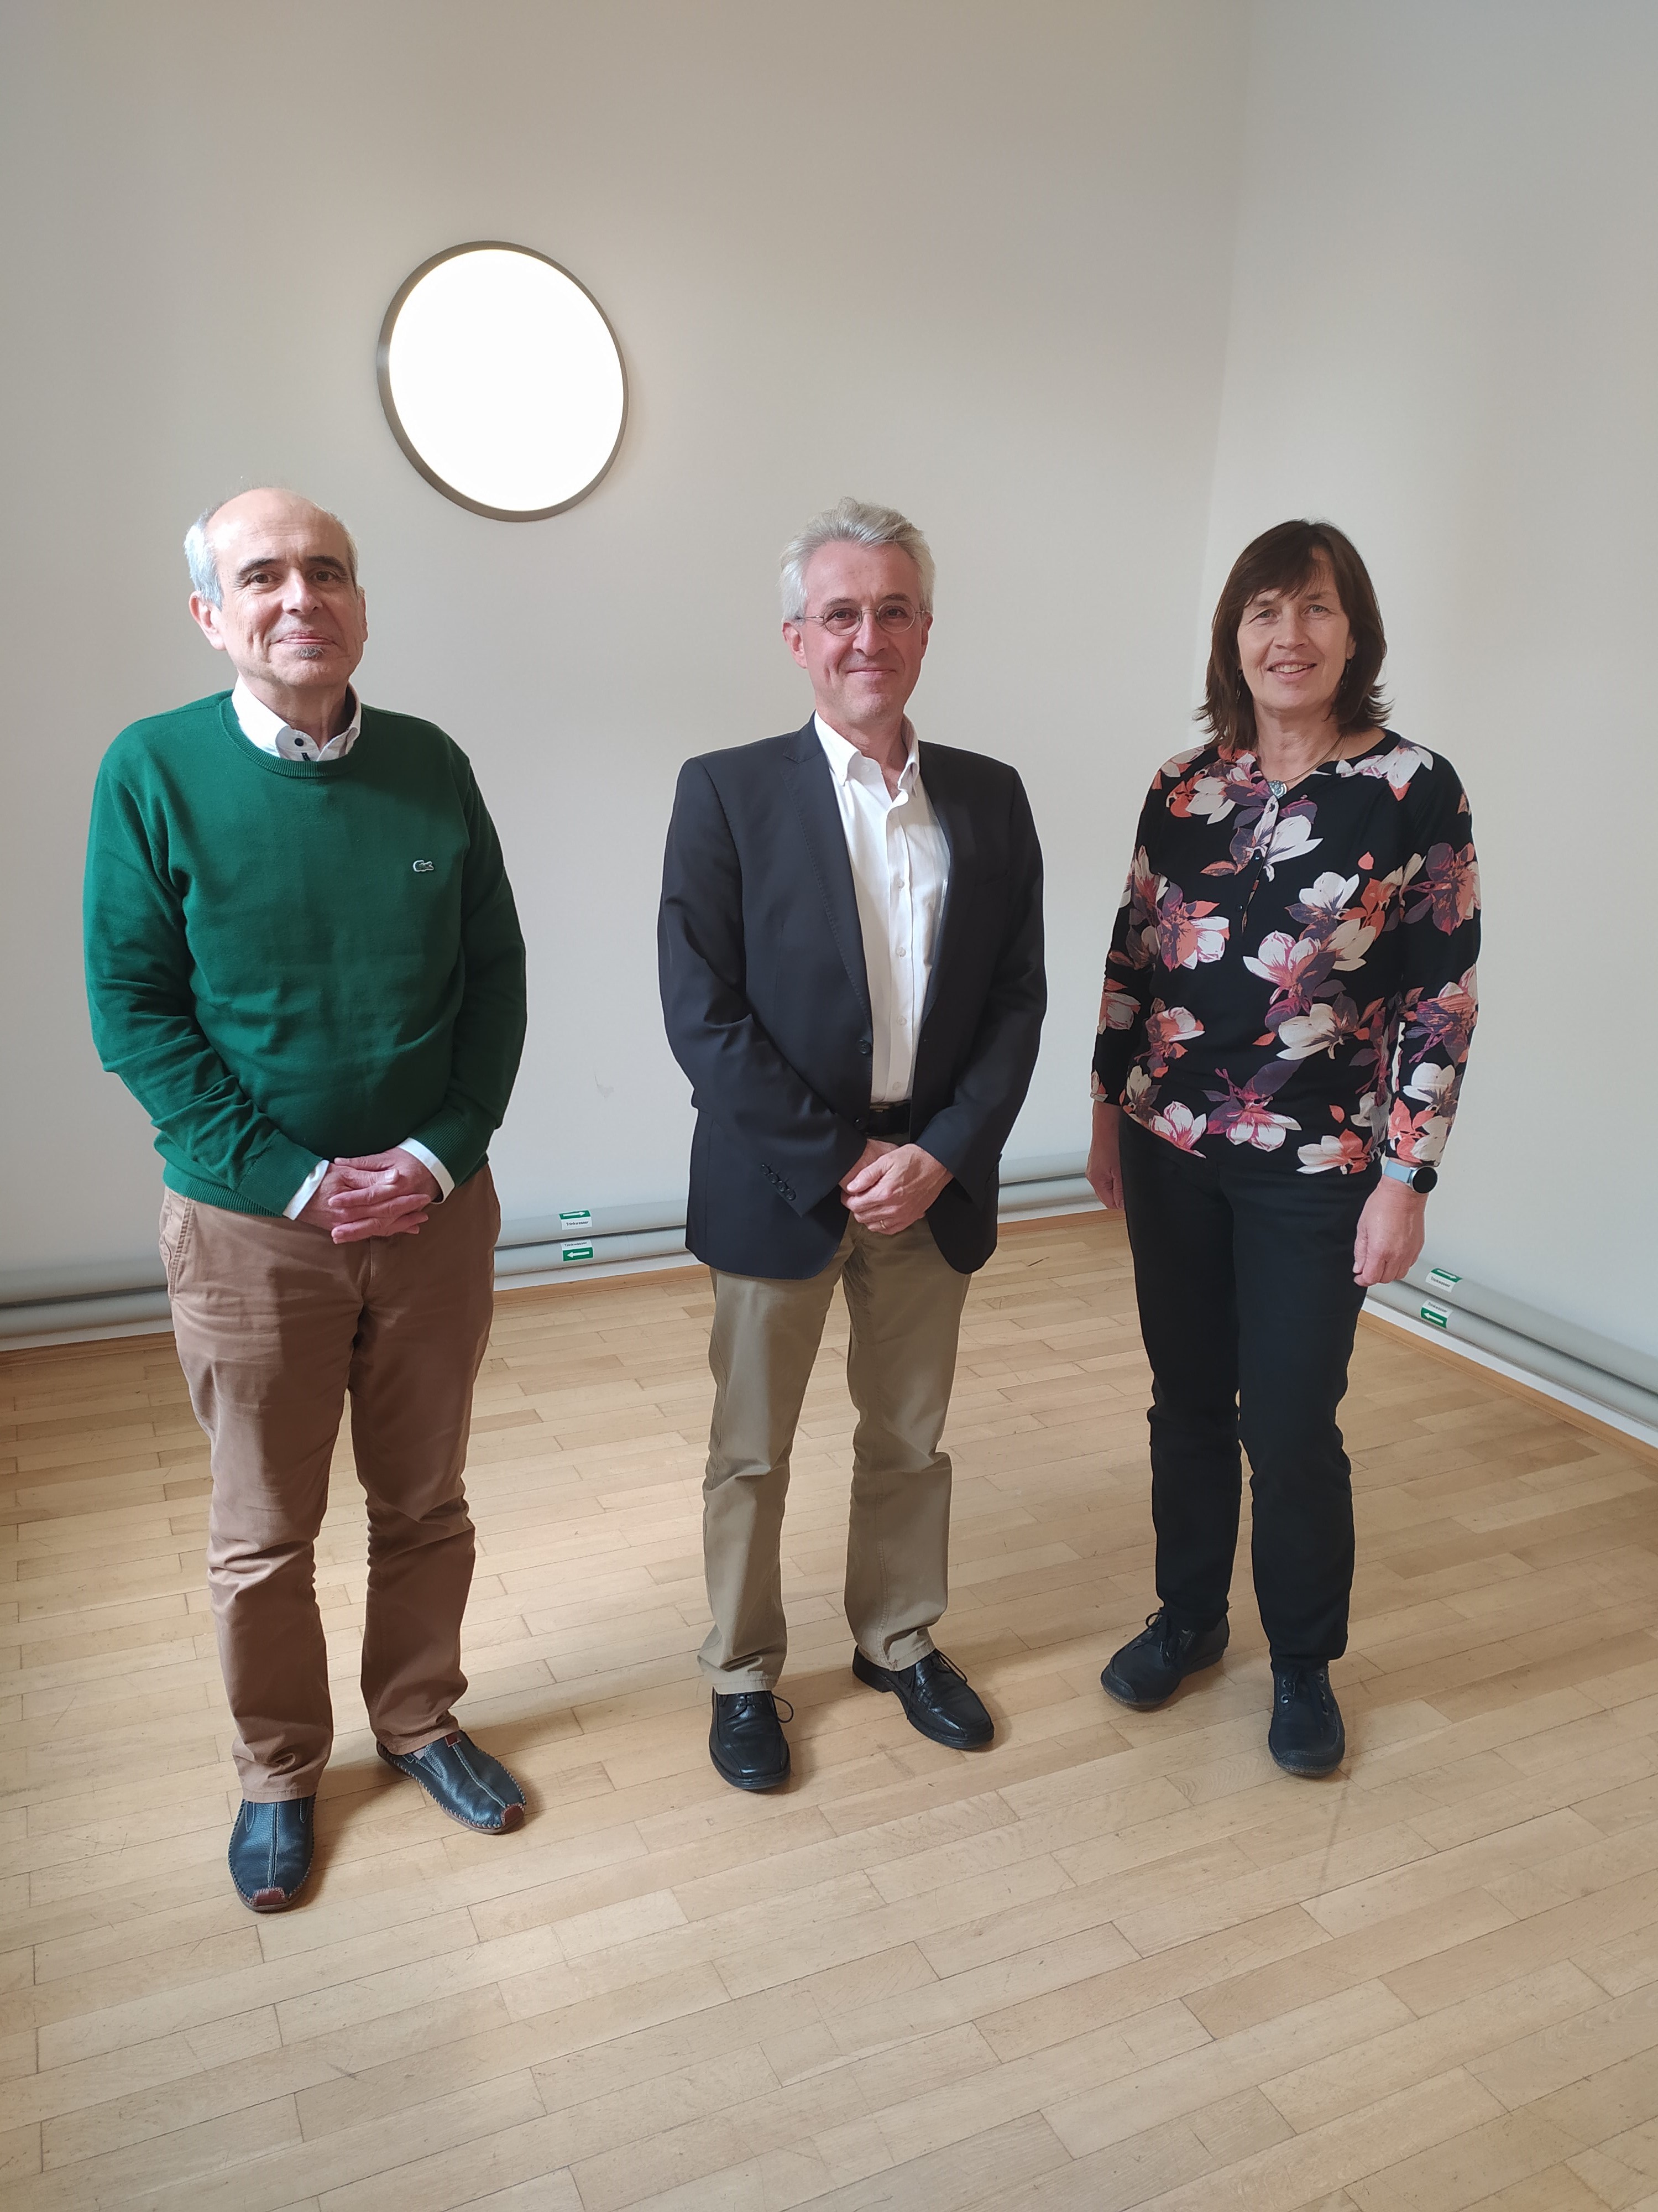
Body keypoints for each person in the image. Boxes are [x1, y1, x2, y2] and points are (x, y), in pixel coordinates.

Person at [83, 489, 530, 1910]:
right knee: (264, 1532)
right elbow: (135, 1011)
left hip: (430, 1217)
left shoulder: (431, 764)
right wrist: (295, 1177)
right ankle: (279, 1768)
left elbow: (496, 982)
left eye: (325, 570)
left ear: (360, 603)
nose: (300, 597)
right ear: (211, 613)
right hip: (250, 1230)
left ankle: (418, 1719)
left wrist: (438, 1155)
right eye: (263, 574)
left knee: (426, 1500)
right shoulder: (152, 769)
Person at [658, 498, 1046, 1790]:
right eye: (840, 613)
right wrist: (839, 1158)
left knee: (909, 1436)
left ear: (926, 629)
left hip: (932, 1180)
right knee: (751, 1448)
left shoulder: (989, 796)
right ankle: (741, 1667)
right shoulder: (725, 792)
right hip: (782, 1180)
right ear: (798, 638)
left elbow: (1017, 1000)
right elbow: (703, 1012)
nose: (866, 636)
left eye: (892, 610)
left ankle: (897, 1636)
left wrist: (941, 1150)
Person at [1087, 519, 1479, 1776]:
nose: (1288, 635)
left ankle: (1303, 1659)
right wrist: (1107, 1114)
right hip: (1170, 1146)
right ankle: (1190, 1617)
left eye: (1314, 608)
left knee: (1294, 1419)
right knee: (1189, 1400)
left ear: (1355, 632)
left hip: (1321, 1169)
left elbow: (1440, 999)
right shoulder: (1183, 786)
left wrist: (1408, 1176)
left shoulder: (1414, 789)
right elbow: (1133, 958)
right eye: (1264, 611)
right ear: (1234, 636)